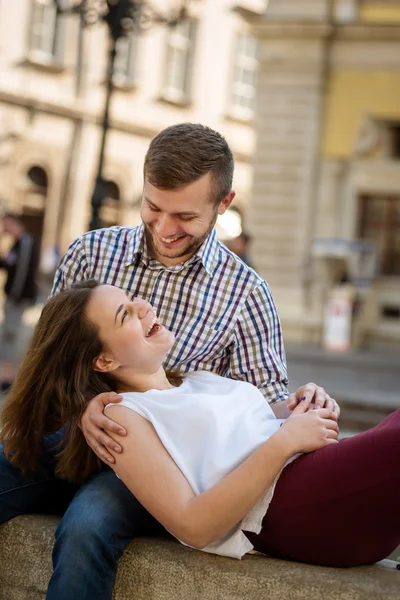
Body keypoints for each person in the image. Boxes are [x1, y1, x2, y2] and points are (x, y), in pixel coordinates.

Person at [0, 123, 335, 600]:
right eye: (153, 207)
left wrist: (305, 402)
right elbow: (45, 364)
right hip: (70, 438)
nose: (163, 228)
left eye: (184, 216)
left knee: (88, 526)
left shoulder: (246, 295)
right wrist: (81, 406)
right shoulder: (90, 252)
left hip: (161, 468)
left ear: (223, 204)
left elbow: (261, 412)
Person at [1, 281, 399, 569]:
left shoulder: (196, 380)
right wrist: (284, 443)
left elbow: (247, 433)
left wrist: (302, 406)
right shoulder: (123, 414)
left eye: (132, 300)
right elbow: (193, 526)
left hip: (317, 481)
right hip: (290, 505)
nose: (143, 308)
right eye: (126, 315)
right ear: (103, 362)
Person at [0, 213, 39, 391]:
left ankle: (6, 378)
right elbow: (9, 265)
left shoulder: (25, 242)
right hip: (16, 296)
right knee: (8, 334)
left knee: (10, 334)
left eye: (5, 225)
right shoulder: (17, 243)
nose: (4, 229)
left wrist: (15, 295)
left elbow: (22, 272)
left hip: (18, 297)